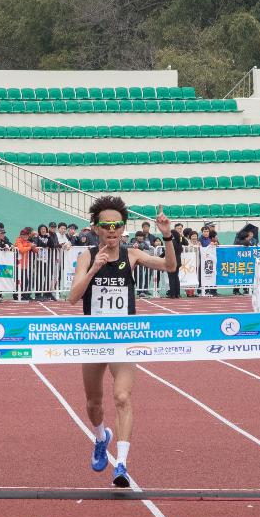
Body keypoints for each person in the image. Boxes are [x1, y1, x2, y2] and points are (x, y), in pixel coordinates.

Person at [66, 198, 175, 488]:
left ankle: (122, 464)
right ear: (96, 228)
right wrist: (93, 270)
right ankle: (102, 437)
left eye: (117, 225)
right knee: (93, 403)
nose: (112, 230)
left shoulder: (134, 254)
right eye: (106, 225)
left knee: (123, 397)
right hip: (94, 338)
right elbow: (72, 297)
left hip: (124, 338)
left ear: (123, 228)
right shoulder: (87, 256)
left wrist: (167, 235)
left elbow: (170, 265)